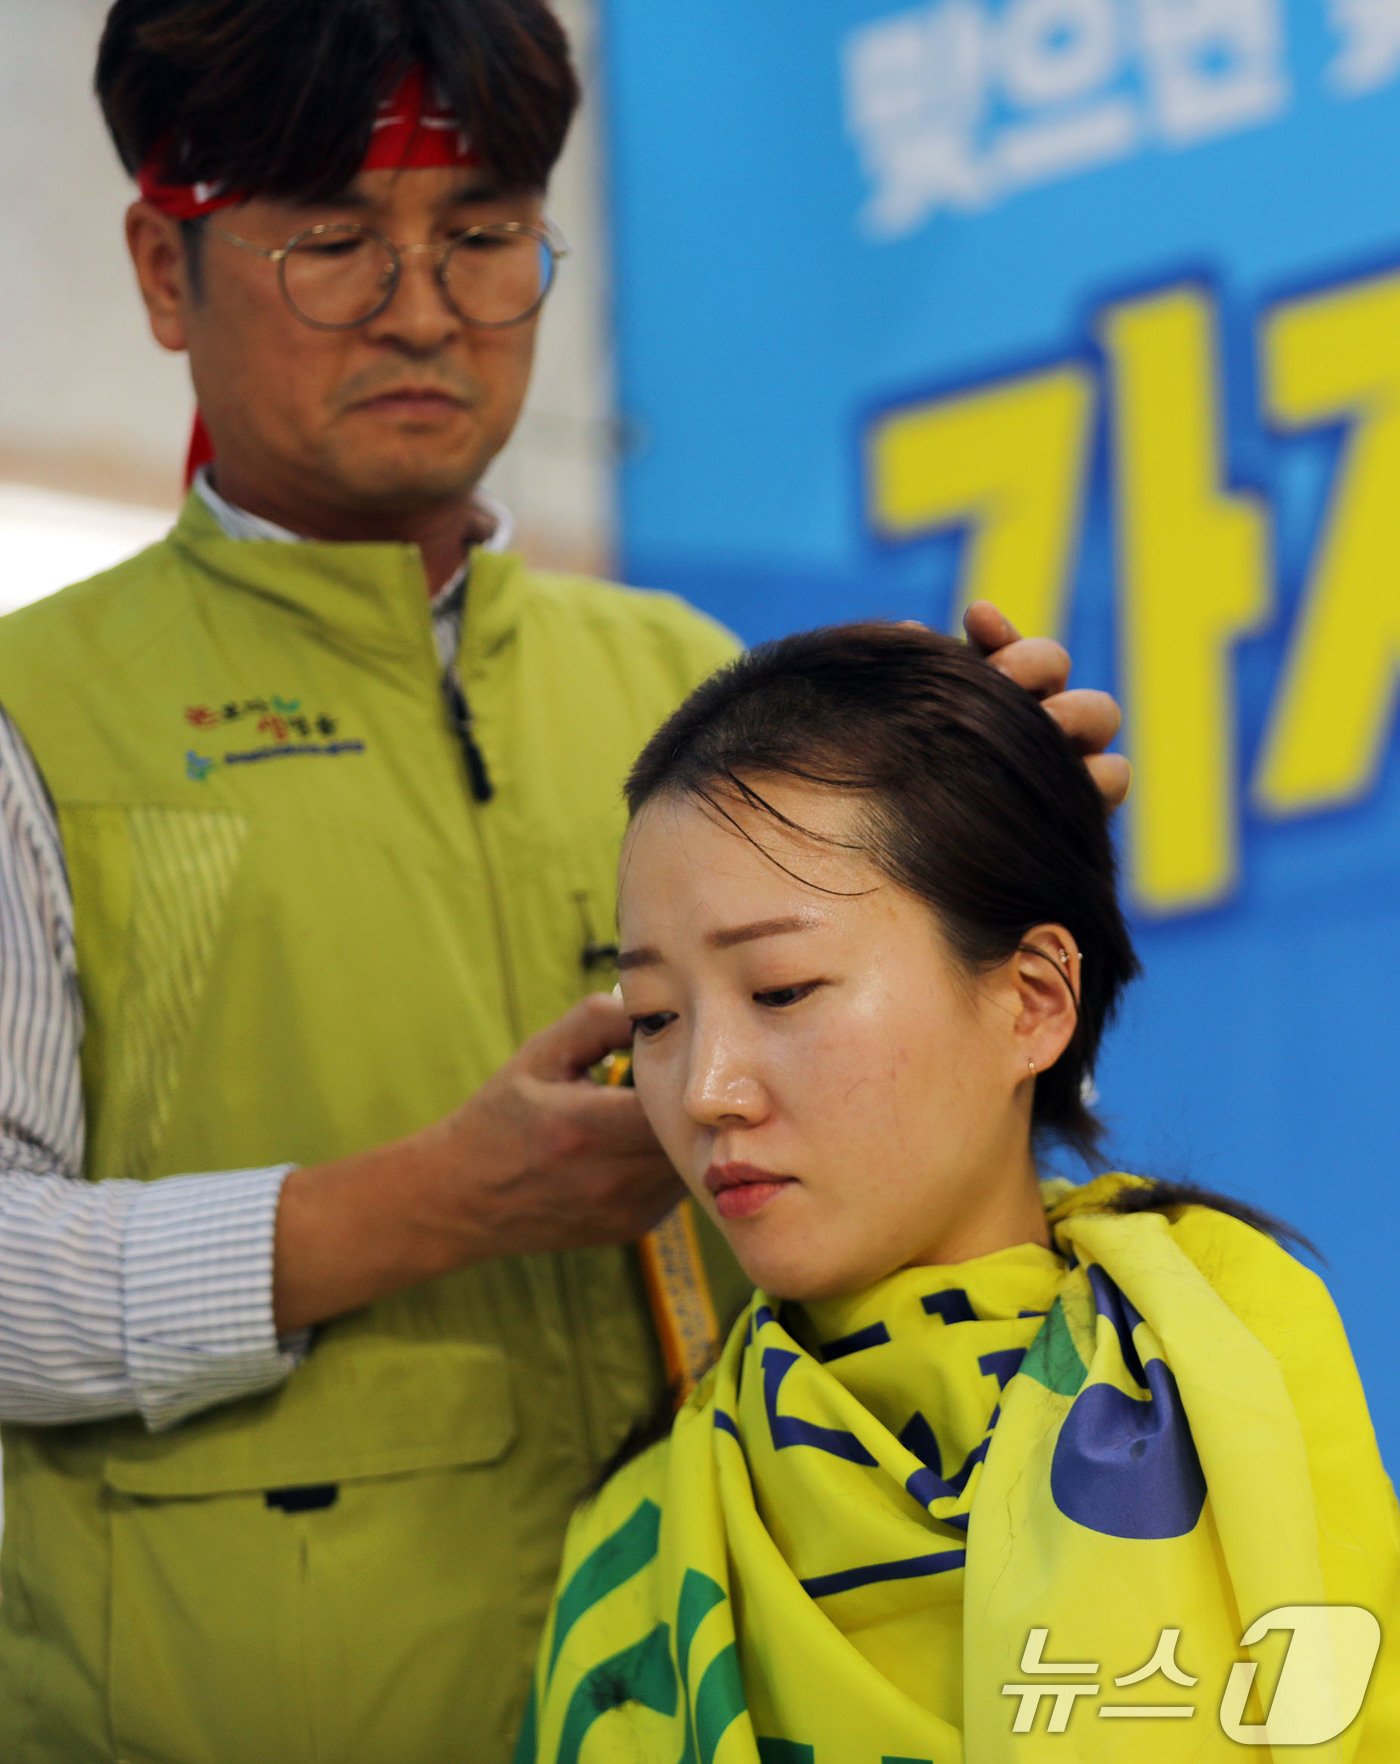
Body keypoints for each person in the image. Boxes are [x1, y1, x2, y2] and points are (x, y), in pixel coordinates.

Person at [0, 5, 1128, 1760]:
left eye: (484, 237)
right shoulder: (36, 718)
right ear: (165, 263)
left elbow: (936, 1152)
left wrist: (991, 844)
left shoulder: (685, 672)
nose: (425, 308)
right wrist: (426, 1201)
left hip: (716, 1692)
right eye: (330, 242)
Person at [519, 622, 1400, 1764]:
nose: (705, 1090)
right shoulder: (638, 1543)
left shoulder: (1246, 1373)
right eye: (652, 1019)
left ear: (1031, 1000)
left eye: (781, 989)